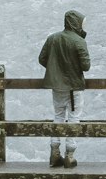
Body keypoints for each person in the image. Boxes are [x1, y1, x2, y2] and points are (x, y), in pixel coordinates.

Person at [38, 9, 90, 168]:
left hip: (57, 85)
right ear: (77, 24)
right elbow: (86, 66)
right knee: (74, 117)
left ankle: (54, 154)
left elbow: (42, 59)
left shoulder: (52, 38)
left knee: (58, 115)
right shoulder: (79, 41)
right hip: (74, 86)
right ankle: (70, 155)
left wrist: (56, 70)